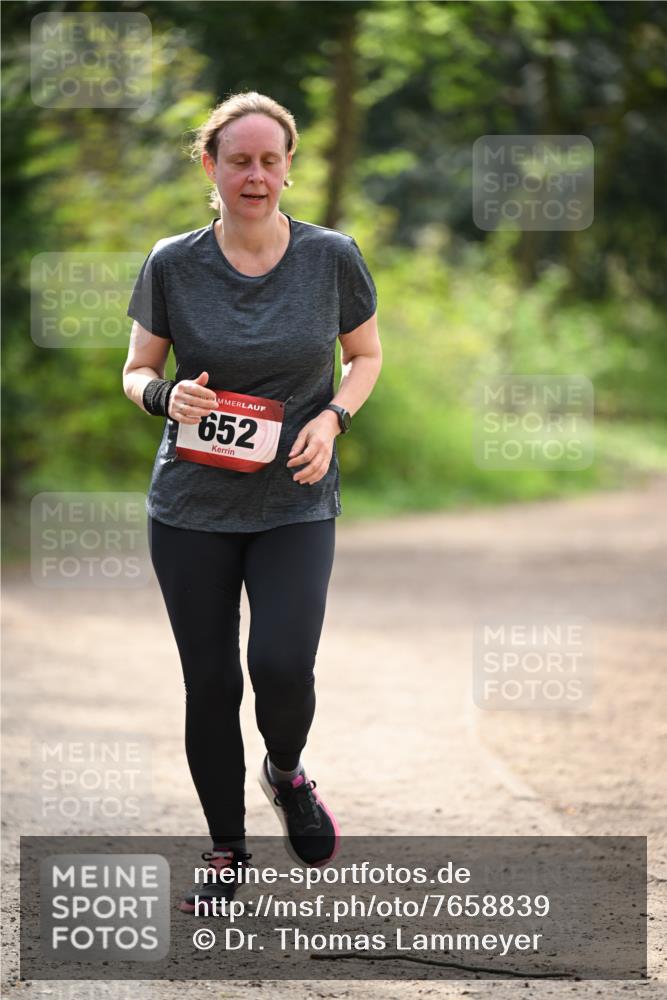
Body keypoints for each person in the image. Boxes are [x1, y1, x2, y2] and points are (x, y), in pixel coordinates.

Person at [122, 91, 382, 915]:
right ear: (211, 165)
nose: (256, 176)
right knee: (210, 685)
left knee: (279, 665)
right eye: (240, 160)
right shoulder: (172, 261)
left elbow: (366, 355)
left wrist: (334, 419)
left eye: (271, 161)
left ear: (288, 167)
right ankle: (226, 850)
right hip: (190, 507)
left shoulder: (331, 256)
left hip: (294, 501)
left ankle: (286, 771)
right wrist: (167, 399)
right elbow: (134, 371)